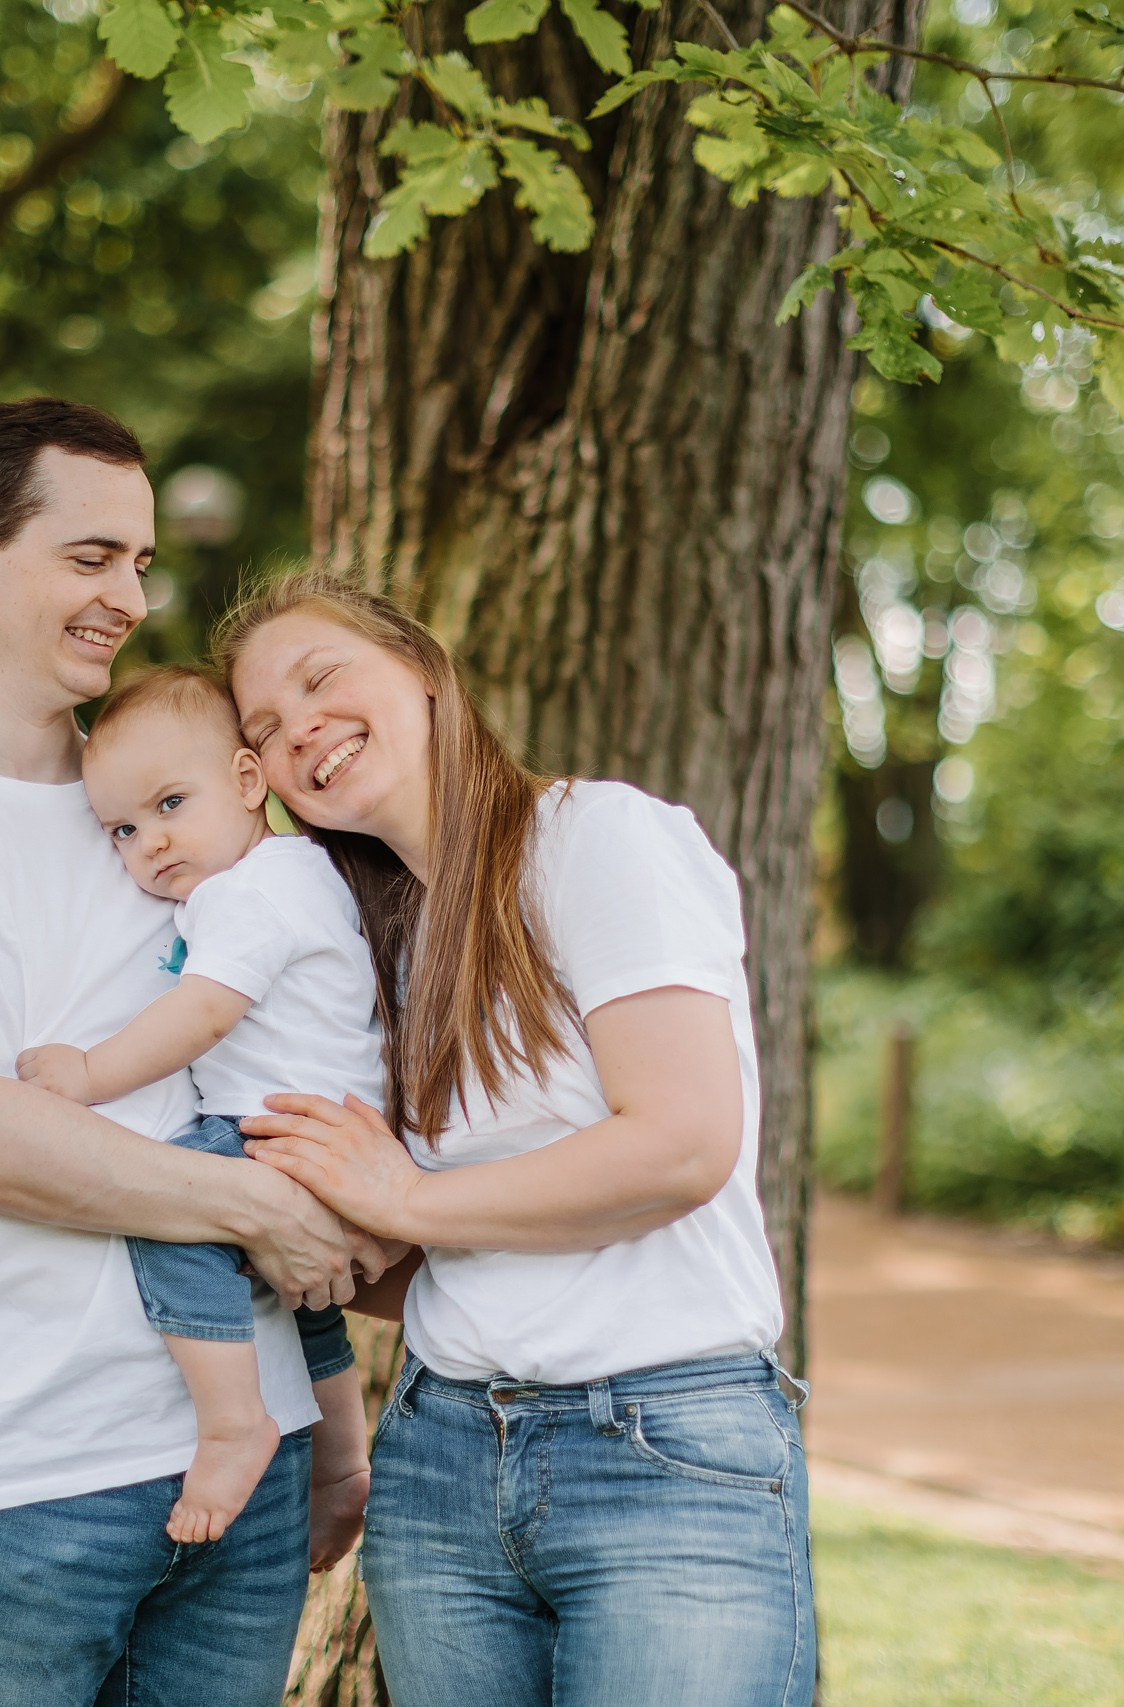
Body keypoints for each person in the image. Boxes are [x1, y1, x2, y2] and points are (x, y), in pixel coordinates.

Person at [0, 402, 385, 1707]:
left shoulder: (180, 800)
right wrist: (258, 1204)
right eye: (93, 556)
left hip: (254, 1462)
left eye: (143, 564)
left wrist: (329, 1428)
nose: (129, 596)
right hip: (20, 1479)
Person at [220, 574, 812, 1707]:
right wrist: (296, 1238)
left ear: (425, 673)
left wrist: (399, 1203)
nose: (298, 727)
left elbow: (681, 1146)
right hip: (442, 1459)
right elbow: (432, 1261)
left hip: (664, 1444)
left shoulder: (597, 838)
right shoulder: (374, 946)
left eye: (320, 677)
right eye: (261, 730)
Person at [17, 664, 387, 1556]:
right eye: (124, 828)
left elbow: (204, 1011)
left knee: (173, 1219)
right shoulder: (305, 872)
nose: (150, 842)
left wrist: (89, 1073)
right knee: (309, 1305)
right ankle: (340, 1450)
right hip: (334, 1133)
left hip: (275, 1132)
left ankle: (232, 1422)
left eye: (172, 803)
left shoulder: (246, 894)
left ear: (249, 781)